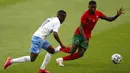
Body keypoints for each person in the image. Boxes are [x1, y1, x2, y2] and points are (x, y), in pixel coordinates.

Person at [55, 0, 124, 66]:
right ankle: (59, 48)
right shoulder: (85, 15)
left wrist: (117, 15)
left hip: (87, 36)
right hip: (79, 34)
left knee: (80, 53)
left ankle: (61, 59)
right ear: (88, 7)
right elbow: (81, 28)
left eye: (94, 7)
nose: (93, 9)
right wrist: (85, 39)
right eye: (91, 7)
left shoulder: (98, 13)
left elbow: (109, 19)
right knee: (71, 51)